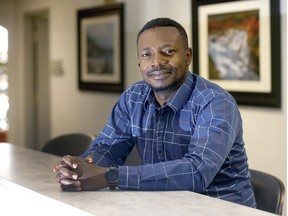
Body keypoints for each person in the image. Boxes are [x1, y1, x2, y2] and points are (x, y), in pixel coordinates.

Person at [54, 17, 256, 208]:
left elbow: (197, 172)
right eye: (147, 54)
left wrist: (110, 176)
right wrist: (82, 167)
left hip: (222, 209)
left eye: (168, 52)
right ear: (139, 62)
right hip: (164, 206)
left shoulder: (215, 103)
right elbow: (109, 147)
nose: (157, 62)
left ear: (187, 56)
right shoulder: (133, 97)